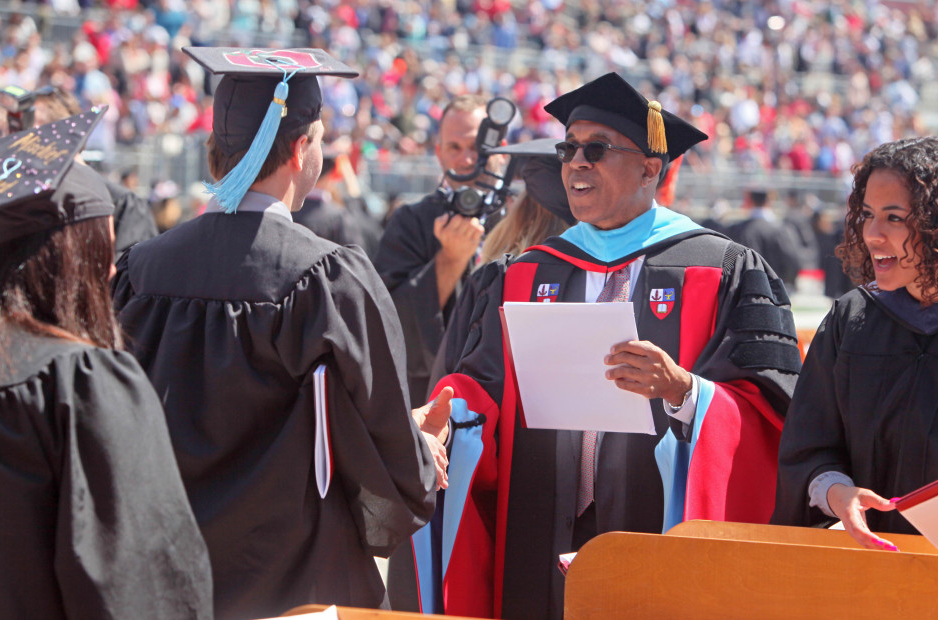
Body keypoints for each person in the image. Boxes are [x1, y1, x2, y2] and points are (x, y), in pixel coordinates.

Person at [404, 73, 800, 619]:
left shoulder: (724, 269)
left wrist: (687, 392)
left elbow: (772, 409)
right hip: (536, 523)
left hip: (657, 524)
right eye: (569, 149)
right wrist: (449, 413)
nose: (576, 163)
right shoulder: (523, 273)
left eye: (597, 149)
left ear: (650, 167)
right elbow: (483, 382)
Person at [111, 47, 442, 620]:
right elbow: (384, 437)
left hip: (166, 569)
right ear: (299, 149)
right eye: (319, 137)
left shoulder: (139, 271)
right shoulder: (327, 276)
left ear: (217, 150)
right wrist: (420, 452)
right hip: (294, 578)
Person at [0, 109, 212, 619]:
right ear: (73, 259)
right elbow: (142, 588)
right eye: (103, 250)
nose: (110, 270)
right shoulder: (82, 384)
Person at [772, 136, 938, 551]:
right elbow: (808, 446)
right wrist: (839, 494)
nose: (873, 234)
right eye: (868, 214)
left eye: (894, 218)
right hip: (864, 570)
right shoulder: (852, 320)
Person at [373, 94, 499, 406]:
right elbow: (388, 324)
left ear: (501, 152)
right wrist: (451, 260)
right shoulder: (410, 221)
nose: (467, 159)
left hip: (507, 396)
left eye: (478, 148)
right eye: (455, 148)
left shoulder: (523, 220)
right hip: (430, 398)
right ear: (439, 153)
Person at [0, 84, 159, 256]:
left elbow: (126, 276)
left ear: (64, 135)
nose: (15, 140)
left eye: (28, 128)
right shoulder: (11, 200)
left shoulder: (122, 205)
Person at [726, 188, 804, 290]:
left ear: (749, 201)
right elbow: (792, 260)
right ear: (770, 201)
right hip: (773, 288)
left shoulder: (738, 229)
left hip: (745, 289)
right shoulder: (781, 229)